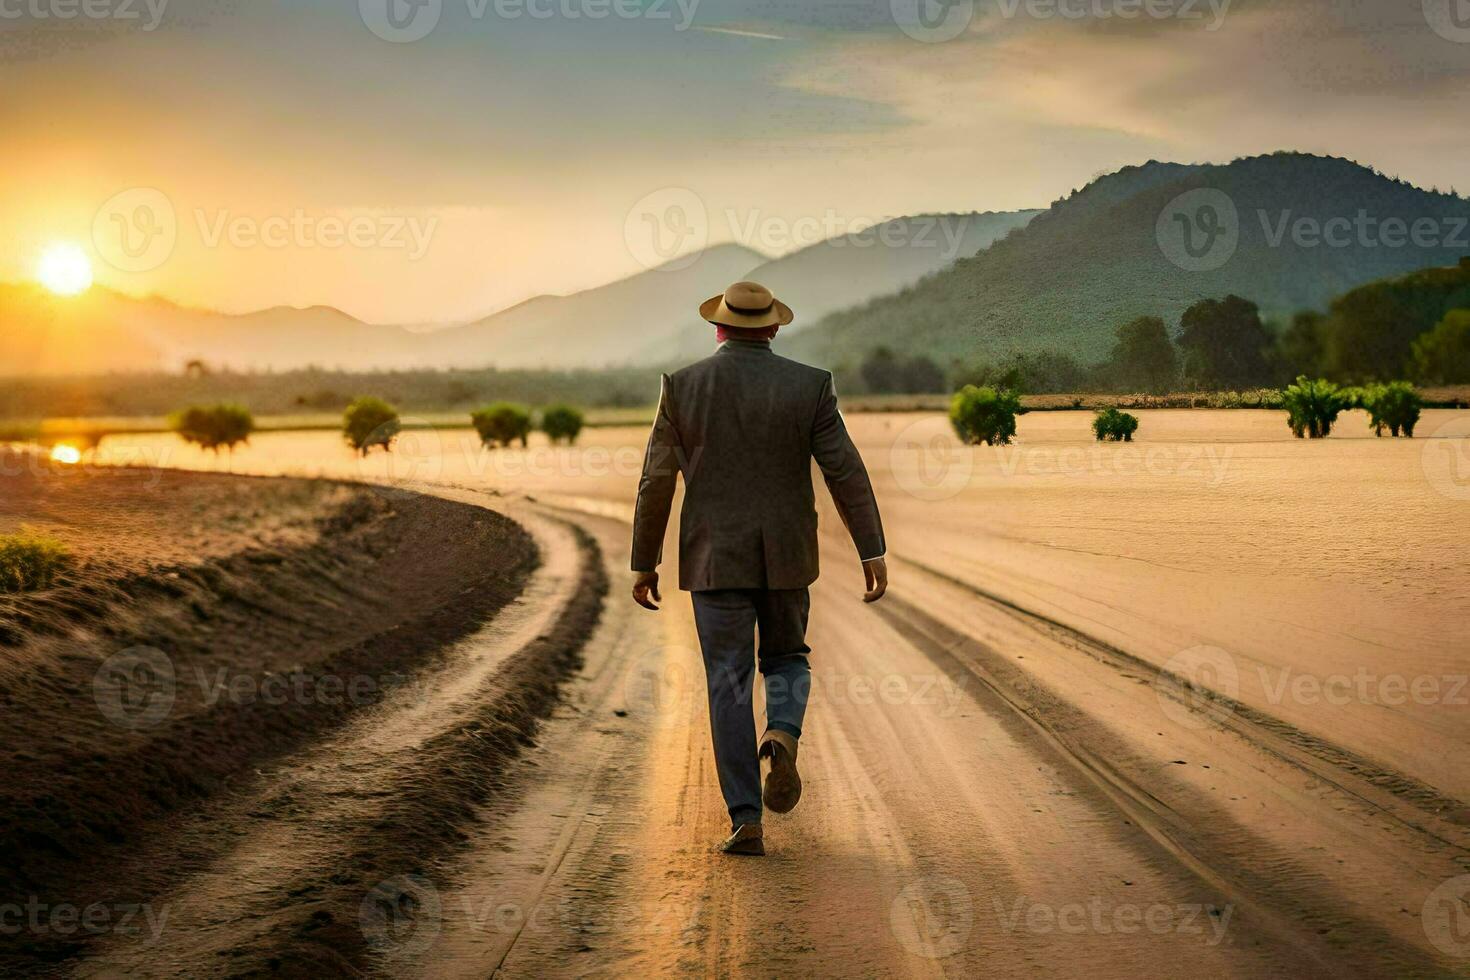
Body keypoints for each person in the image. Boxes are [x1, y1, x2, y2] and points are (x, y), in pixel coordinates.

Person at [629, 280, 887, 856]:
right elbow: (845, 470)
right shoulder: (810, 386)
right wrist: (871, 547)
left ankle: (746, 818)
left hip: (713, 559)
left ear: (718, 328)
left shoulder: (682, 388)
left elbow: (656, 480)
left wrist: (644, 561)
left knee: (727, 681)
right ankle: (782, 732)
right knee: (788, 658)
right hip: (788, 555)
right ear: (772, 328)